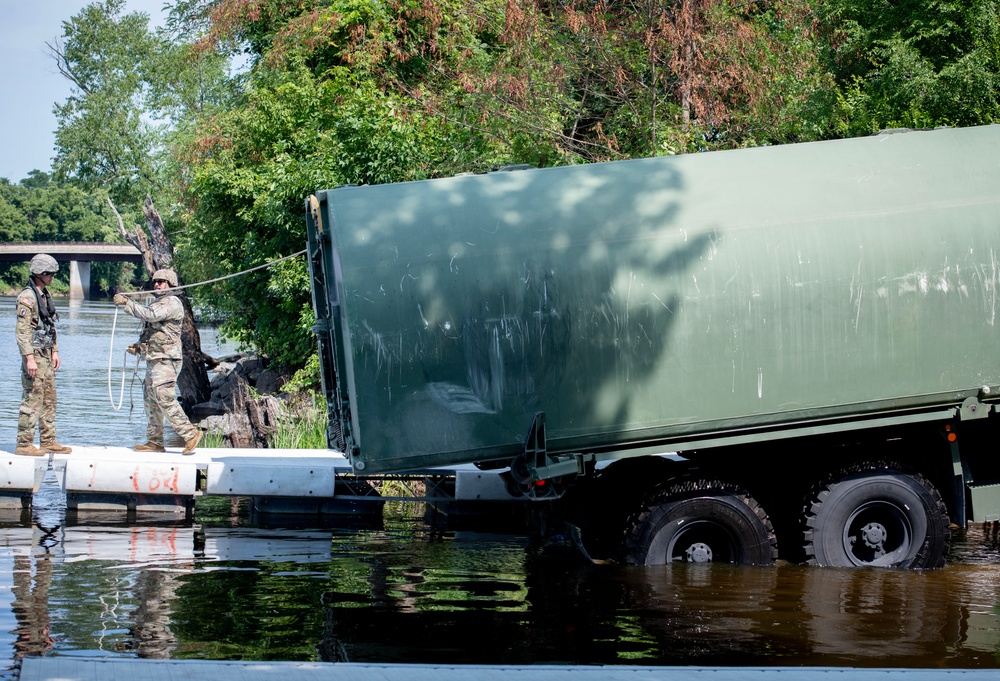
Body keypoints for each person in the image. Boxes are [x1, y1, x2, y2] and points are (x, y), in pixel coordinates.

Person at [113, 269, 202, 454]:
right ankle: (155, 442)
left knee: (164, 397)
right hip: (155, 358)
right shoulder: (159, 302)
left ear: (171, 284)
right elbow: (156, 333)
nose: (157, 284)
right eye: (155, 281)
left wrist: (127, 302)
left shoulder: (172, 302)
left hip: (166, 360)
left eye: (162, 281)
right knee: (151, 400)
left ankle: (190, 433)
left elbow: (150, 315)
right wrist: (139, 347)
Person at [15, 254, 72, 456]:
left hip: (46, 354)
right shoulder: (28, 298)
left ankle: (48, 440)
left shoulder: (44, 295)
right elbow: (23, 332)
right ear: (40, 273)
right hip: (35, 356)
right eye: (50, 274)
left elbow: (50, 325)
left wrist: (55, 351)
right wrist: (29, 358)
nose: (53, 277)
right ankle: (24, 443)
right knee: (32, 399)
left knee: (49, 399)